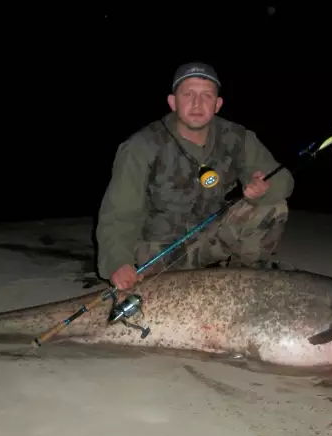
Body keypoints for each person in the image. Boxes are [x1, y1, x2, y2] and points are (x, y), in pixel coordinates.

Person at [95, 62, 295, 291]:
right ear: (173, 102)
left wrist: (261, 185)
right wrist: (118, 262)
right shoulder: (141, 146)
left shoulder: (237, 137)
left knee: (273, 207)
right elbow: (119, 214)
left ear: (217, 104)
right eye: (188, 94)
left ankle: (242, 282)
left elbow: (283, 181)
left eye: (206, 95)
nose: (197, 104)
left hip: (211, 242)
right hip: (159, 253)